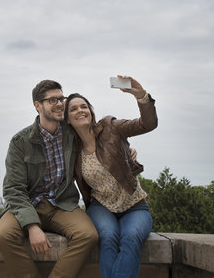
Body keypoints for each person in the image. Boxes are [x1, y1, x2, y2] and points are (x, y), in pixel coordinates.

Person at [0, 79, 99, 278]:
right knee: (3, 236)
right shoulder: (20, 142)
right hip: (28, 204)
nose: (60, 104)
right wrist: (32, 226)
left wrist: (126, 149)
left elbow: (99, 136)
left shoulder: (72, 133)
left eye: (61, 98)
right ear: (37, 105)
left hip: (62, 204)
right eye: (52, 100)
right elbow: (13, 189)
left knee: (88, 235)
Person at [64, 75, 158, 278]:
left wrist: (141, 96)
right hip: (101, 207)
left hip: (135, 205)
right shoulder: (71, 151)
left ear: (90, 111)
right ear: (68, 119)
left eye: (83, 106)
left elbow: (147, 124)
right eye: (73, 109)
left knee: (131, 237)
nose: (80, 110)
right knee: (108, 237)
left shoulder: (110, 127)